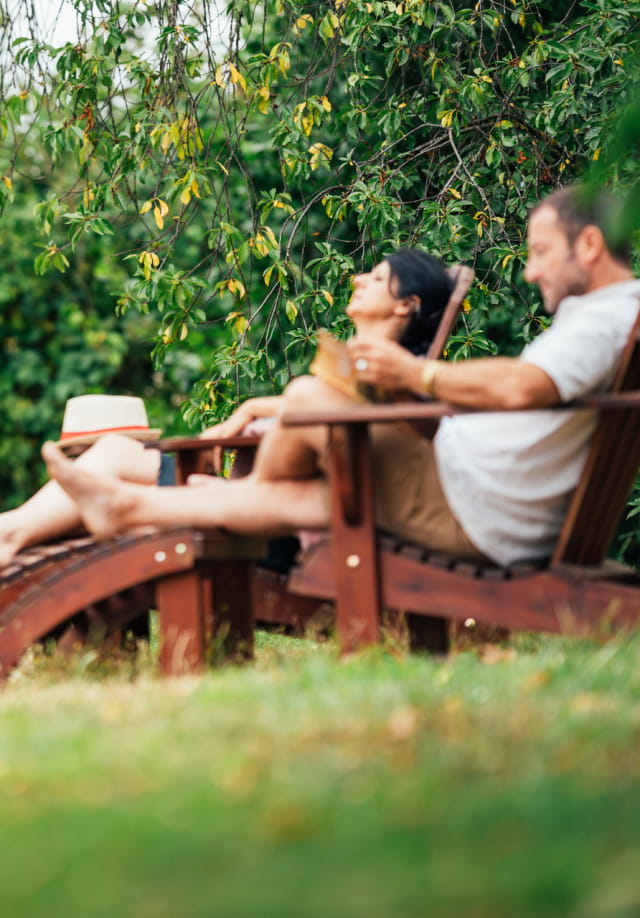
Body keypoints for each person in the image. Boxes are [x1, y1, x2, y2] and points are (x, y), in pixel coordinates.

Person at [39, 185, 640, 567]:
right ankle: (125, 507)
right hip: (473, 494)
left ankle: (229, 503)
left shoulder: (604, 320)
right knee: (318, 472)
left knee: (306, 396)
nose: (530, 271)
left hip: (474, 508)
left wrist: (418, 374)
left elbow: (520, 387)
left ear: (587, 244)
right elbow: (523, 391)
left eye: (538, 251)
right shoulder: (602, 319)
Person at [0, 247, 454, 567]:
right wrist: (254, 408)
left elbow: (389, 440)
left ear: (405, 306)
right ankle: (12, 531)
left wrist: (257, 412)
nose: (358, 279)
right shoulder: (352, 371)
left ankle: (12, 533)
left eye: (376, 278)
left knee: (112, 466)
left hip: (281, 522)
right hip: (256, 496)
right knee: (115, 455)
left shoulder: (407, 382)